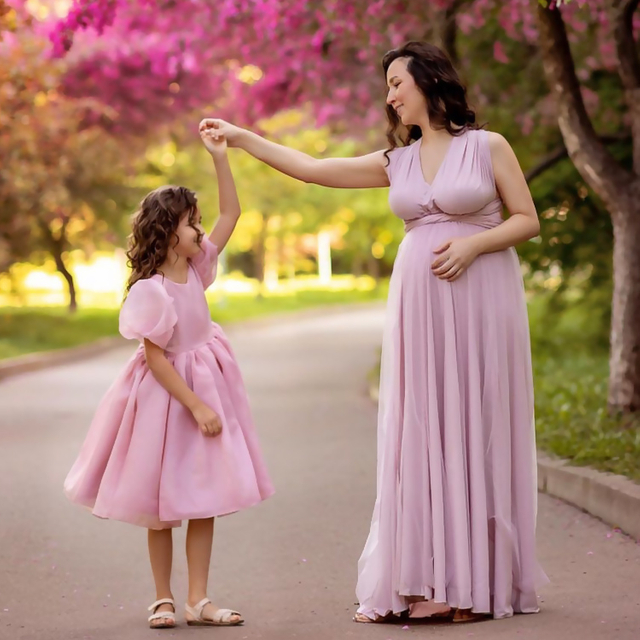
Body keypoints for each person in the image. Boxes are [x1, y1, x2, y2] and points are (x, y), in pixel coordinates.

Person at [200, 39, 549, 623]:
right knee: (423, 434)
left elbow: (527, 219)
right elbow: (312, 170)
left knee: (474, 426)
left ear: (428, 81)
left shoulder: (488, 147)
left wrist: (472, 244)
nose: (389, 95)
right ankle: (419, 579)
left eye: (396, 83)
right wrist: (240, 137)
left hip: (482, 306)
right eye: (387, 86)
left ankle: (473, 586)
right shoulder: (398, 162)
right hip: (419, 312)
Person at [64, 127, 274, 629]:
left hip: (205, 384)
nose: (201, 231)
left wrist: (220, 158)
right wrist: (197, 407)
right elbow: (156, 360)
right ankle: (162, 597)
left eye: (198, 223)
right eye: (190, 224)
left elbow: (232, 214)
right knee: (161, 504)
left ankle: (198, 599)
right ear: (166, 232)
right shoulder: (153, 291)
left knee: (204, 499)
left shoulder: (197, 268)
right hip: (168, 401)